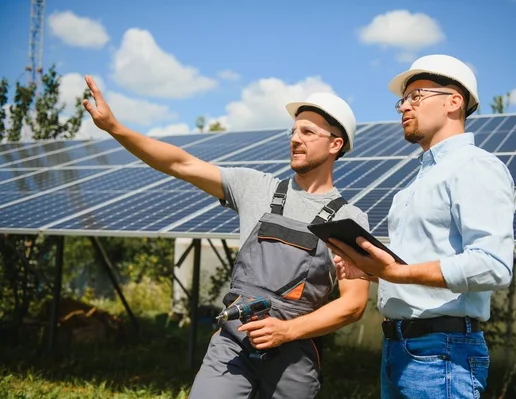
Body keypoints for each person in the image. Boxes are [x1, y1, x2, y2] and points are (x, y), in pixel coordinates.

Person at [81, 76, 371, 399]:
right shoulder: (255, 187)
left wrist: (286, 330)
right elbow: (180, 162)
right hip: (233, 345)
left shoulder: (349, 220)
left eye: (307, 132)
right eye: (293, 130)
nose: (295, 138)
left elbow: (354, 304)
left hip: (295, 356)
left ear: (336, 144)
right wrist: (114, 127)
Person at [327, 54, 515, 398]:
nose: (403, 108)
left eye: (416, 96)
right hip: (401, 349)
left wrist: (396, 273)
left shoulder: (474, 167)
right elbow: (412, 266)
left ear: (453, 102)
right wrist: (370, 270)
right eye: (403, 100)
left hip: (442, 354)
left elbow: (494, 266)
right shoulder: (414, 185)